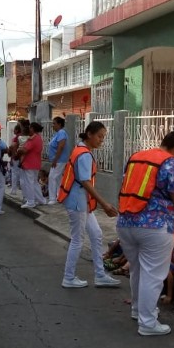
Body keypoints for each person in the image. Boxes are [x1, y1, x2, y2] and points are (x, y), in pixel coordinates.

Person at [117, 125, 174, 336]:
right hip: (155, 226)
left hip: (126, 222)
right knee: (153, 275)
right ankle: (147, 323)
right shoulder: (171, 163)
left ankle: (138, 311)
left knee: (137, 270)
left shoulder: (137, 157)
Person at [58, 121, 120, 289]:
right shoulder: (84, 154)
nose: (102, 140)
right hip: (78, 203)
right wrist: (104, 204)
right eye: (100, 136)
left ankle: (100, 275)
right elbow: (85, 182)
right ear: (90, 134)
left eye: (103, 137)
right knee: (78, 240)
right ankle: (68, 277)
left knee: (97, 234)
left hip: (81, 202)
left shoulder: (81, 150)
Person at [17, 122, 45, 209]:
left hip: (29, 164)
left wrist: (19, 150)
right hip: (35, 164)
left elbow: (24, 150)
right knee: (34, 183)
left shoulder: (33, 139)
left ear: (32, 129)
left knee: (29, 183)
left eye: (30, 128)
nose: (28, 129)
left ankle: (30, 202)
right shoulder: (39, 138)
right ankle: (41, 200)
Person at [47, 116, 70, 205]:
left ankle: (53, 198)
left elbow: (61, 146)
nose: (53, 125)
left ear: (59, 124)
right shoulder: (57, 133)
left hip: (59, 160)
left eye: (54, 123)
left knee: (52, 177)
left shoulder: (61, 133)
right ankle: (59, 196)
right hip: (58, 160)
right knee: (58, 178)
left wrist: (55, 159)